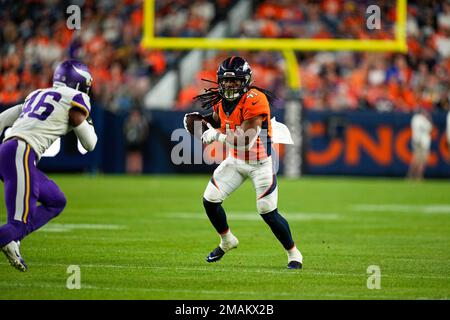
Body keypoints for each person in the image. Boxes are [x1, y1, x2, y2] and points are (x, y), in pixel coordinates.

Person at [186, 56, 303, 269]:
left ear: (245, 81)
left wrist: (217, 136)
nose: (230, 85)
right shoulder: (221, 102)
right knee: (210, 199)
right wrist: (199, 123)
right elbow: (214, 120)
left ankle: (294, 253)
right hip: (236, 161)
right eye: (226, 80)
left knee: (267, 210)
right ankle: (227, 240)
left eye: (235, 80)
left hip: (260, 164)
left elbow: (246, 140)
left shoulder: (255, 99)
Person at [0, 60, 98, 271]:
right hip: (21, 152)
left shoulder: (36, 94)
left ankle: (13, 240)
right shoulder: (76, 98)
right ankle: (12, 235)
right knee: (18, 223)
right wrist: (86, 123)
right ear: (80, 83)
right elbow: (90, 144)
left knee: (56, 200)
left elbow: (2, 119)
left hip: (12, 153)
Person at [407, 109, 433, 180]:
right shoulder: (422, 119)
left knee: (416, 159)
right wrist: (428, 118)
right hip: (422, 142)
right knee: (421, 161)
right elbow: (429, 128)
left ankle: (411, 176)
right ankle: (418, 176)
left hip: (417, 140)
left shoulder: (415, 119)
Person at [123, 108, 149, 174]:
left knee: (138, 156)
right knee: (130, 156)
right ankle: (130, 170)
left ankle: (138, 170)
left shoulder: (141, 122)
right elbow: (125, 130)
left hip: (139, 142)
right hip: (130, 142)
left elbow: (145, 131)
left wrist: (141, 139)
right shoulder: (128, 121)